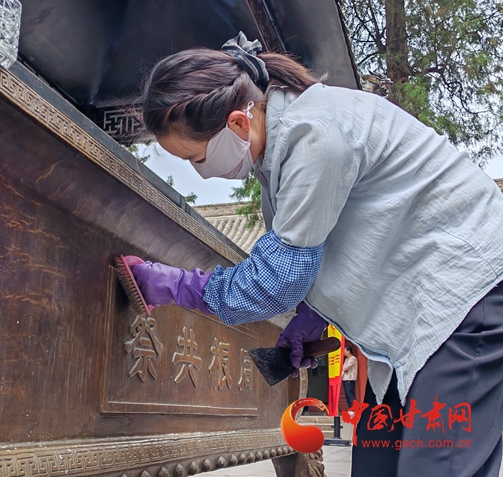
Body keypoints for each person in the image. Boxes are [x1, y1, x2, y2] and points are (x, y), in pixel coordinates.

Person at [125, 32, 503, 477]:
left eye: (196, 157)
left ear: (238, 124)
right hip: (417, 323)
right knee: (376, 466)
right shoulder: (283, 147)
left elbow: (276, 280)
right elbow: (325, 239)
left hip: (467, 305)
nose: (200, 171)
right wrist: (314, 316)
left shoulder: (315, 134)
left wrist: (174, 285)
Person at [342, 345, 357, 410]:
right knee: (347, 395)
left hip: (350, 379)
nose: (344, 352)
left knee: (350, 395)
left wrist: (341, 368)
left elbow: (346, 367)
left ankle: (353, 409)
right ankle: (350, 408)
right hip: (345, 378)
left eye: (344, 350)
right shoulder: (346, 359)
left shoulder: (353, 359)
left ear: (348, 351)